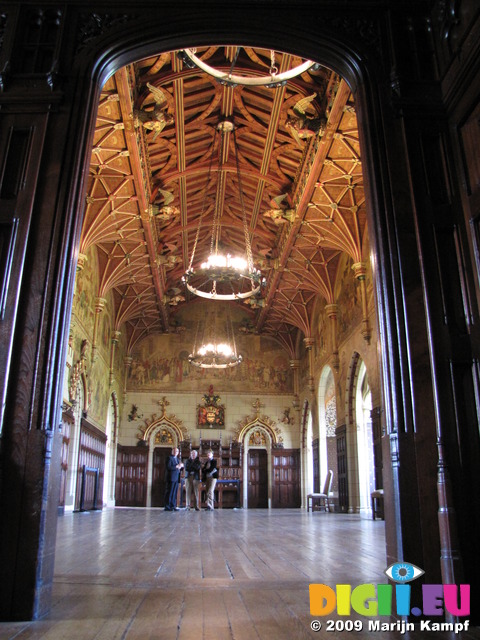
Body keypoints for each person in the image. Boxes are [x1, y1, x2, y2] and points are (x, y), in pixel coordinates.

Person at [164, 447, 183, 511]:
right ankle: (167, 506)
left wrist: (181, 466)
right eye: (174, 451)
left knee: (174, 492)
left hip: (176, 478)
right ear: (172, 452)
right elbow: (168, 467)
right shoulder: (169, 458)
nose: (176, 452)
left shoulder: (177, 459)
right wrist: (176, 466)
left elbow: (179, 468)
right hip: (171, 478)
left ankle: (173, 505)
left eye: (177, 451)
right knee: (170, 492)